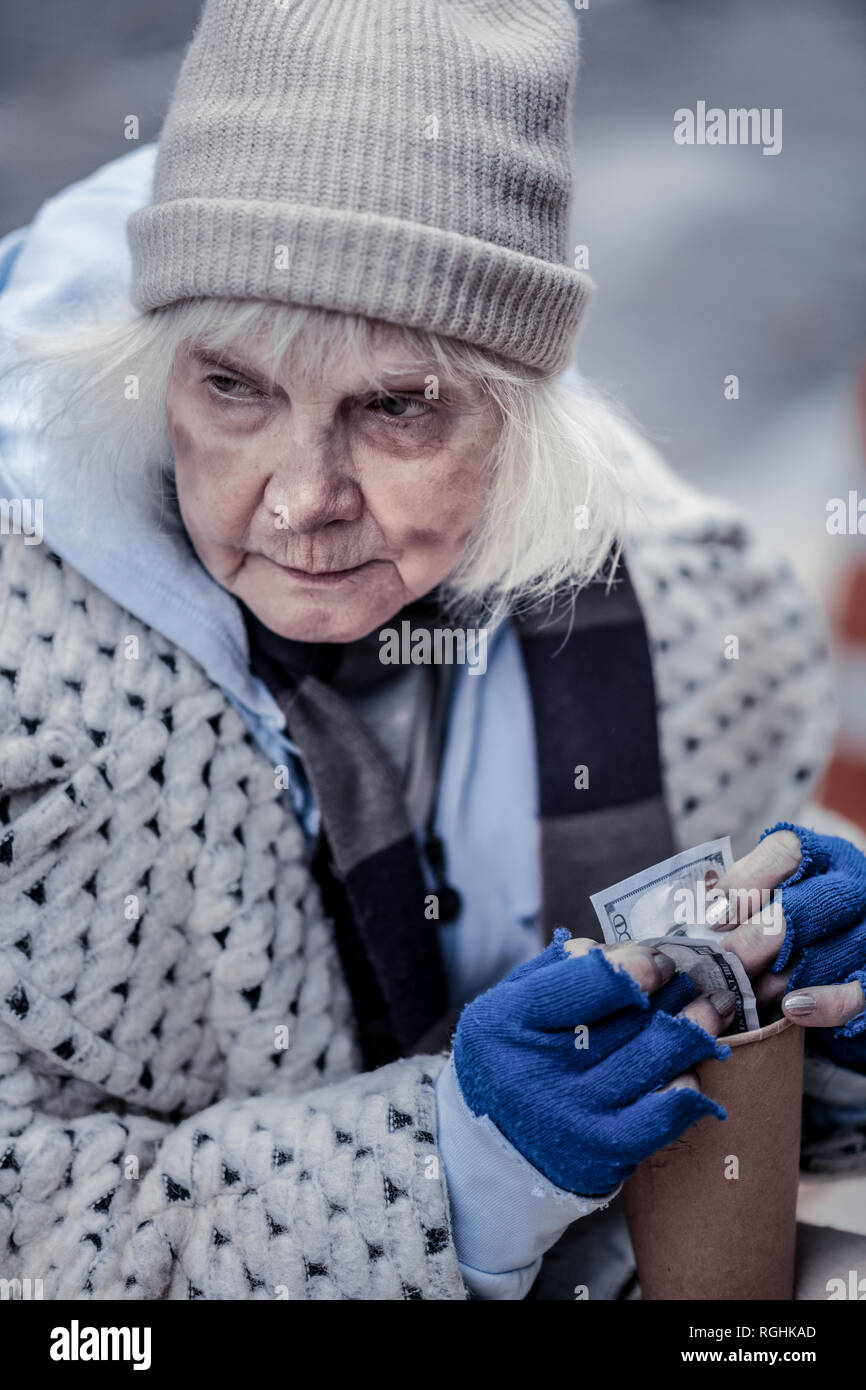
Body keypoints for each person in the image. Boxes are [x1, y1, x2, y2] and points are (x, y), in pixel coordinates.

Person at [0, 0, 864, 1302]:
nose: (299, 499)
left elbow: (736, 1100)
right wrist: (452, 1164)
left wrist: (832, 1051)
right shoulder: (31, 705)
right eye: (231, 387)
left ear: (522, 411)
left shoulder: (675, 627)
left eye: (393, 406)